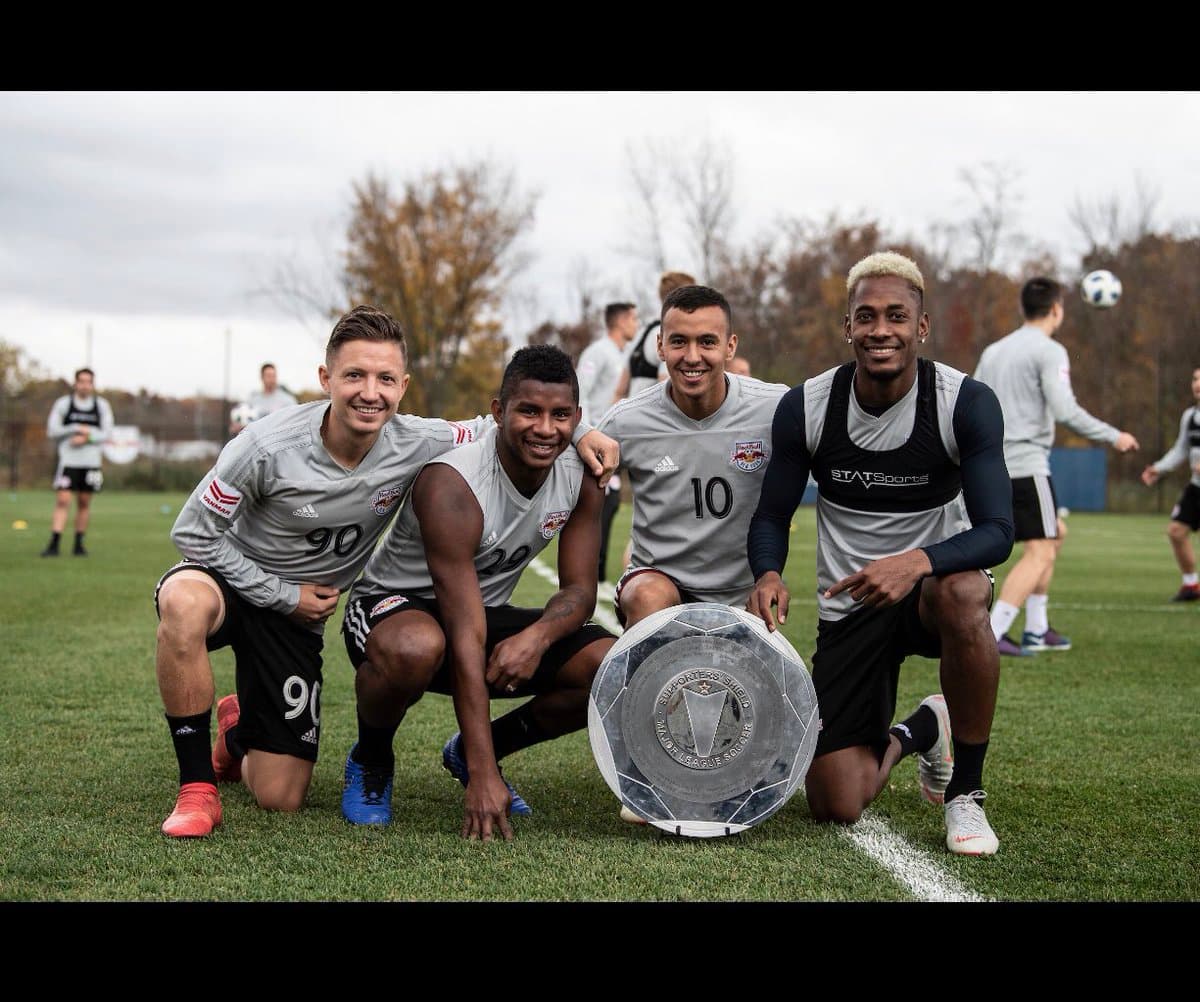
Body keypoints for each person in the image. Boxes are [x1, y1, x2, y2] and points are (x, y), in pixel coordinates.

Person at [152, 307, 618, 838]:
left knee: (280, 796)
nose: (370, 393)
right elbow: (193, 533)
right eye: (354, 375)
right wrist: (281, 593)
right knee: (183, 603)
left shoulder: (419, 439)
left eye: (385, 379)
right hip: (238, 584)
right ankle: (197, 789)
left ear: (403, 387)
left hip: (295, 620)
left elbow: (506, 422)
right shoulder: (264, 445)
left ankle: (240, 731)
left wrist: (583, 430)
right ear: (326, 378)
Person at [747, 251, 1013, 856]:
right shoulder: (808, 405)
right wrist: (767, 572)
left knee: (964, 589)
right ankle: (922, 729)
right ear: (848, 326)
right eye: (865, 316)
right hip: (851, 607)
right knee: (835, 802)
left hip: (929, 596)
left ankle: (966, 793)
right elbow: (771, 515)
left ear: (922, 326)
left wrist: (915, 562)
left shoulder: (965, 402)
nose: (880, 330)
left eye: (897, 315)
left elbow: (999, 531)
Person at [339, 345, 616, 840]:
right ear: (498, 412)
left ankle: (469, 752)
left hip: (481, 613)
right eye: (528, 411)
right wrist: (485, 778)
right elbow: (465, 632)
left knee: (608, 664)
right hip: (393, 611)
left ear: (577, 419)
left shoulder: (583, 475)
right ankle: (372, 758)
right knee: (416, 646)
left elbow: (578, 590)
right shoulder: (453, 482)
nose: (544, 428)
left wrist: (537, 638)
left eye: (559, 416)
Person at [597, 284, 788, 631]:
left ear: (730, 346)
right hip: (661, 586)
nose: (692, 356)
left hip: (744, 593)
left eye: (707, 342)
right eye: (679, 342)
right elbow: (574, 482)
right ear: (660, 346)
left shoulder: (775, 408)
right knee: (647, 596)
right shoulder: (626, 420)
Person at [973, 277, 1139, 656]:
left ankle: (1036, 628)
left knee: (1055, 533)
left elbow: (974, 403)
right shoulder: (1050, 350)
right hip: (1026, 464)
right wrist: (1114, 435)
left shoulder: (993, 351)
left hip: (991, 466)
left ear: (1023, 308)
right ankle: (993, 634)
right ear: (1056, 310)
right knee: (1041, 550)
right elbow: (1065, 410)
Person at [577, 301, 640, 583]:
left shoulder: (625, 356)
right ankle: (591, 576)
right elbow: (581, 392)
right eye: (634, 319)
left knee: (612, 505)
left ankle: (599, 576)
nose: (636, 325)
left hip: (617, 443)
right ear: (622, 321)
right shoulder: (597, 352)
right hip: (596, 443)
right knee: (599, 507)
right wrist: (587, 434)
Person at [1140, 365, 1200, 601]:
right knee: (1176, 531)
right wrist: (1158, 468)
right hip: (1196, 487)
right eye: (1195, 379)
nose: (1197, 384)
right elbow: (1180, 449)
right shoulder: (1190, 416)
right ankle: (1191, 585)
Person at [41, 367, 114, 557]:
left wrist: (87, 437)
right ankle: (54, 543)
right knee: (63, 500)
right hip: (68, 462)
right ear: (75, 383)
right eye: (81, 381)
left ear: (93, 384)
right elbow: (53, 430)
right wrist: (75, 428)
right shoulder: (64, 404)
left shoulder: (101, 406)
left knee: (84, 502)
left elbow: (107, 433)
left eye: (88, 382)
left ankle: (79, 544)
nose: (85, 385)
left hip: (91, 464)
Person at [230, 362, 299, 434]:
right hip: (256, 439)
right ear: (262, 377)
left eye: (274, 376)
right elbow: (243, 421)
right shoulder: (252, 400)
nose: (272, 379)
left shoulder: (288, 400)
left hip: (278, 439)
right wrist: (237, 426)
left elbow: (295, 422)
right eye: (269, 376)